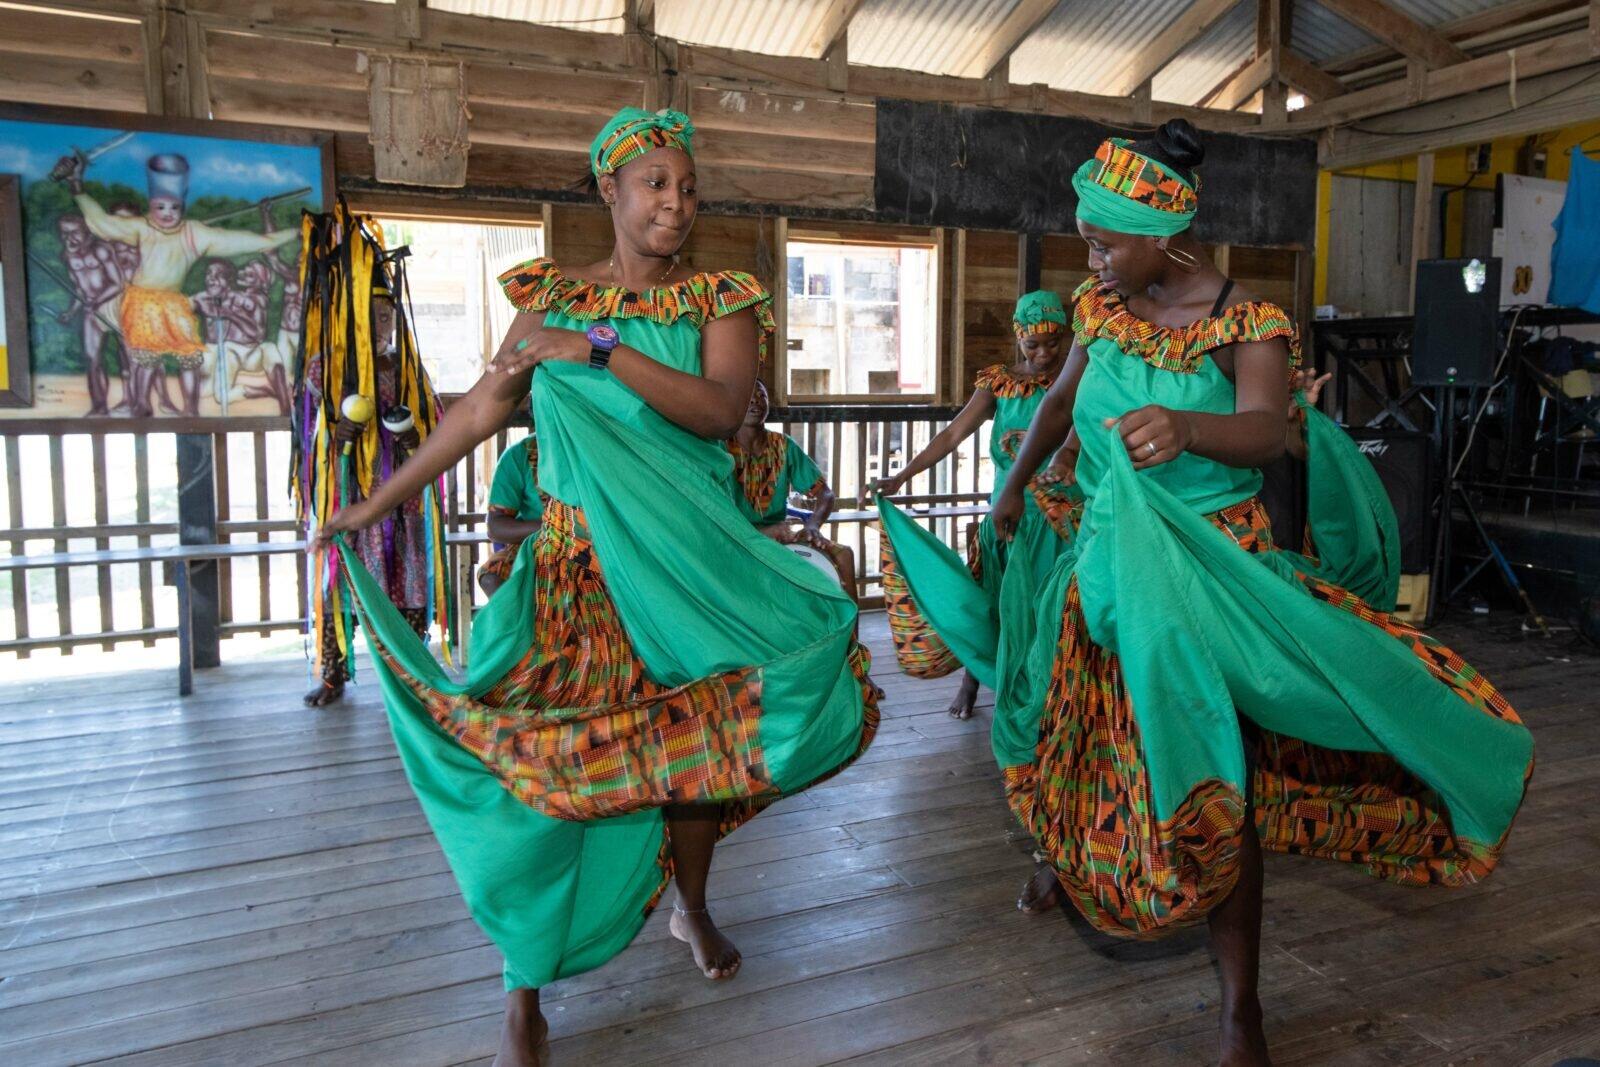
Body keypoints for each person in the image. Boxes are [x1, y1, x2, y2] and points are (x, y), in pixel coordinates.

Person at [310, 107, 878, 1066]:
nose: (676, 202)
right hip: (573, 580)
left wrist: (604, 349)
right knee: (537, 768)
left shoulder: (720, 300)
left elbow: (719, 412)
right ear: (607, 191)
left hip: (687, 570)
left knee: (699, 745)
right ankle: (522, 985)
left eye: (688, 186)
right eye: (654, 182)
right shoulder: (548, 301)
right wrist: (376, 503)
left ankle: (691, 908)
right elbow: (485, 408)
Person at [989, 122, 1534, 1066]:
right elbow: (1056, 403)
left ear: (1166, 237)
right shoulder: (1097, 306)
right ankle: (1067, 861)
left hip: (1217, 580)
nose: (1096, 258)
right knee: (1083, 738)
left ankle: (1240, 1001)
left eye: (1109, 242)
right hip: (1112, 571)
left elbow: (1266, 432)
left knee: (1214, 772)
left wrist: (1187, 428)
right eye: (1087, 240)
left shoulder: (1250, 318)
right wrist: (1006, 491)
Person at [873, 290, 1072, 719]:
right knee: (996, 602)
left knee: (1049, 608)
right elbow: (950, 437)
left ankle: (1046, 695)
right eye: (1032, 344)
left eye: (1054, 343)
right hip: (1007, 516)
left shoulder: (1072, 384)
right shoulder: (998, 383)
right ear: (1017, 336)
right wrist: (902, 477)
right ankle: (974, 682)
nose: (1043, 353)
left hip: (1059, 519)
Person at [54, 151, 299, 416]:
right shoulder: (141, 227)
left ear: (182, 204)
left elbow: (251, 241)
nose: (168, 214)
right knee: (146, 358)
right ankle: (141, 406)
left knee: (190, 358)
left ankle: (191, 412)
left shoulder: (195, 233)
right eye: (161, 207)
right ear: (151, 205)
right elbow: (101, 223)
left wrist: (297, 231)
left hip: (172, 303)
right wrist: (77, 188)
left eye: (174, 208)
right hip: (142, 301)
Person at [303, 270, 431, 707]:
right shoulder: (330, 366)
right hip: (348, 496)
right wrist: (339, 438)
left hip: (398, 496)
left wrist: (412, 437)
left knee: (405, 584)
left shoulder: (406, 367)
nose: (382, 325)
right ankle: (333, 674)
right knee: (338, 583)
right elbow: (311, 430)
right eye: (372, 316)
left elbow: (432, 429)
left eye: (387, 316)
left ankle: (413, 676)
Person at [728, 380, 857, 602]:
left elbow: (825, 494)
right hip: (736, 538)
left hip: (780, 536)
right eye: (748, 397)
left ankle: (850, 636)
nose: (755, 402)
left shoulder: (782, 445)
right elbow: (713, 507)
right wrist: (761, 532)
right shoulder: (720, 448)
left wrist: (812, 526)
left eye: (762, 396)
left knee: (844, 556)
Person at [478, 433, 543, 597]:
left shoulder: (598, 447)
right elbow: (495, 527)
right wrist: (553, 526)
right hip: (537, 542)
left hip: (594, 543)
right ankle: (516, 622)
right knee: (492, 577)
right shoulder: (521, 455)